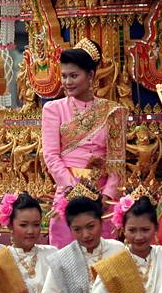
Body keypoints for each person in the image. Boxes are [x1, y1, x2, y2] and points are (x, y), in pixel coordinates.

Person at [41, 39, 126, 247]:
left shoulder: (113, 111)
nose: (67, 82)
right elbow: (51, 156)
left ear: (90, 76)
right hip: (67, 194)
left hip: (103, 198)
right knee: (66, 255)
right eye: (64, 76)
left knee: (104, 257)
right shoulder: (53, 109)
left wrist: (107, 195)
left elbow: (117, 161)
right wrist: (74, 189)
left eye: (73, 76)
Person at [36, 194, 126, 293]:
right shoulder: (62, 259)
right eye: (77, 229)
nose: (85, 235)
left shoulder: (118, 250)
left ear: (101, 222)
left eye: (91, 226)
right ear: (70, 229)